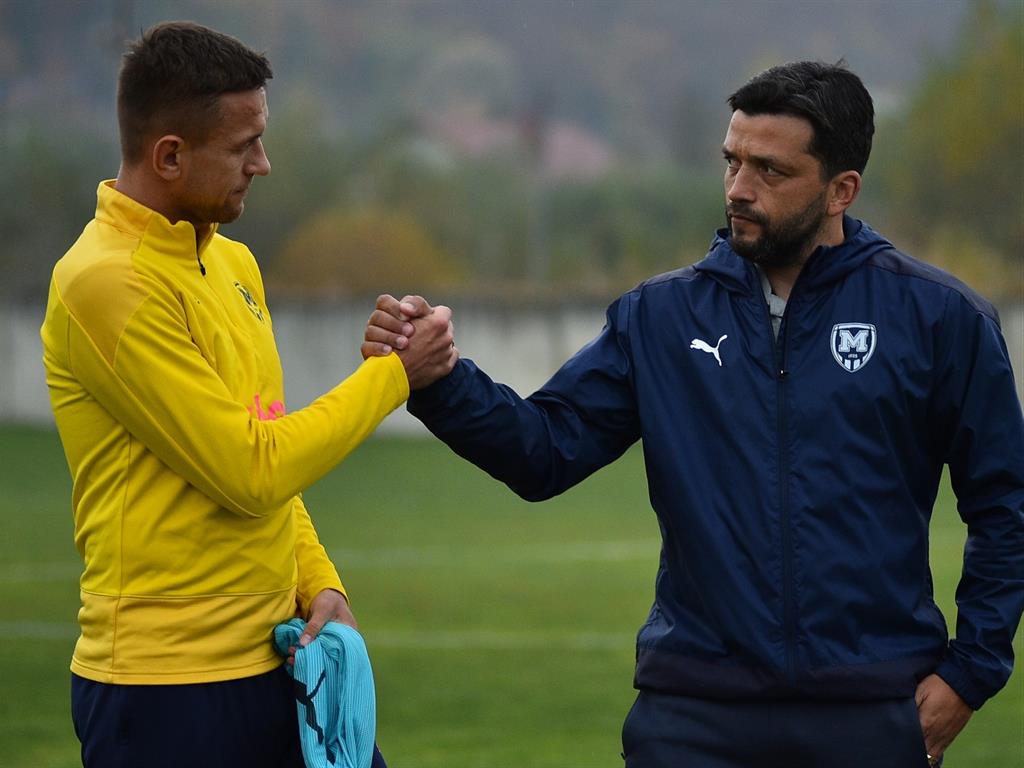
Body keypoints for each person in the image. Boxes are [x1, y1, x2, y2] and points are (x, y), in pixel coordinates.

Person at [363, 61, 1024, 767]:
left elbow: (1005, 505)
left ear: (841, 190)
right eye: (732, 161)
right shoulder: (661, 315)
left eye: (770, 170)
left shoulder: (938, 318)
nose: (739, 188)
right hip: (693, 715)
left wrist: (969, 672)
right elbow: (544, 450)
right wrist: (440, 382)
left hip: (869, 712)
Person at [39, 21, 455, 768]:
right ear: (170, 155)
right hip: (165, 693)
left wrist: (319, 583)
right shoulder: (105, 283)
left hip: (281, 664)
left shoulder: (234, 265)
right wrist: (394, 375)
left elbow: (269, 452)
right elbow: (250, 468)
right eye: (244, 146)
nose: (263, 164)